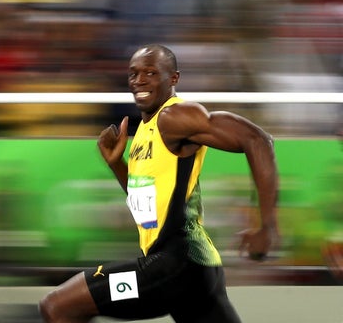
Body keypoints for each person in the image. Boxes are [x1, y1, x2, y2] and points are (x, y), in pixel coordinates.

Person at [39, 44, 279, 322]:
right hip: (193, 270)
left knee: (56, 306)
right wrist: (116, 163)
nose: (139, 80)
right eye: (133, 73)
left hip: (175, 264)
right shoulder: (143, 131)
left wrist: (267, 225)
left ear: (173, 78)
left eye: (150, 73)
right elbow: (145, 204)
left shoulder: (174, 117)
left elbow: (258, 140)